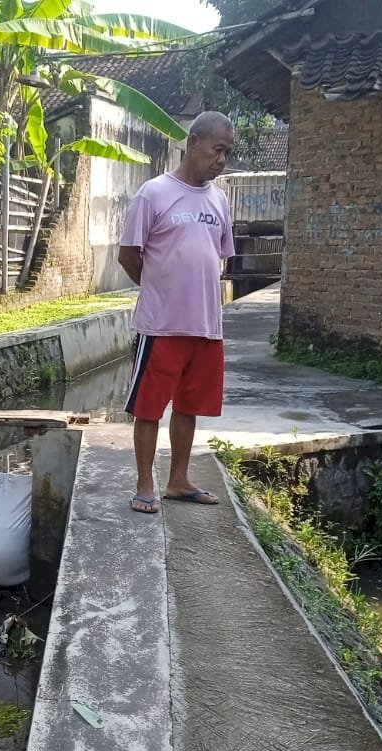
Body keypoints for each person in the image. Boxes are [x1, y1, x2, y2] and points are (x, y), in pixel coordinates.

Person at [117, 111, 236, 514]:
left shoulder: (219, 200)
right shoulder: (153, 194)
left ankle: (179, 480)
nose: (221, 160)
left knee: (189, 406)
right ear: (193, 142)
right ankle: (145, 484)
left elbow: (218, 256)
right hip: (161, 326)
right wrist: (158, 289)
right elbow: (129, 255)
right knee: (148, 408)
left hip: (206, 327)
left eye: (227, 152)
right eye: (217, 149)